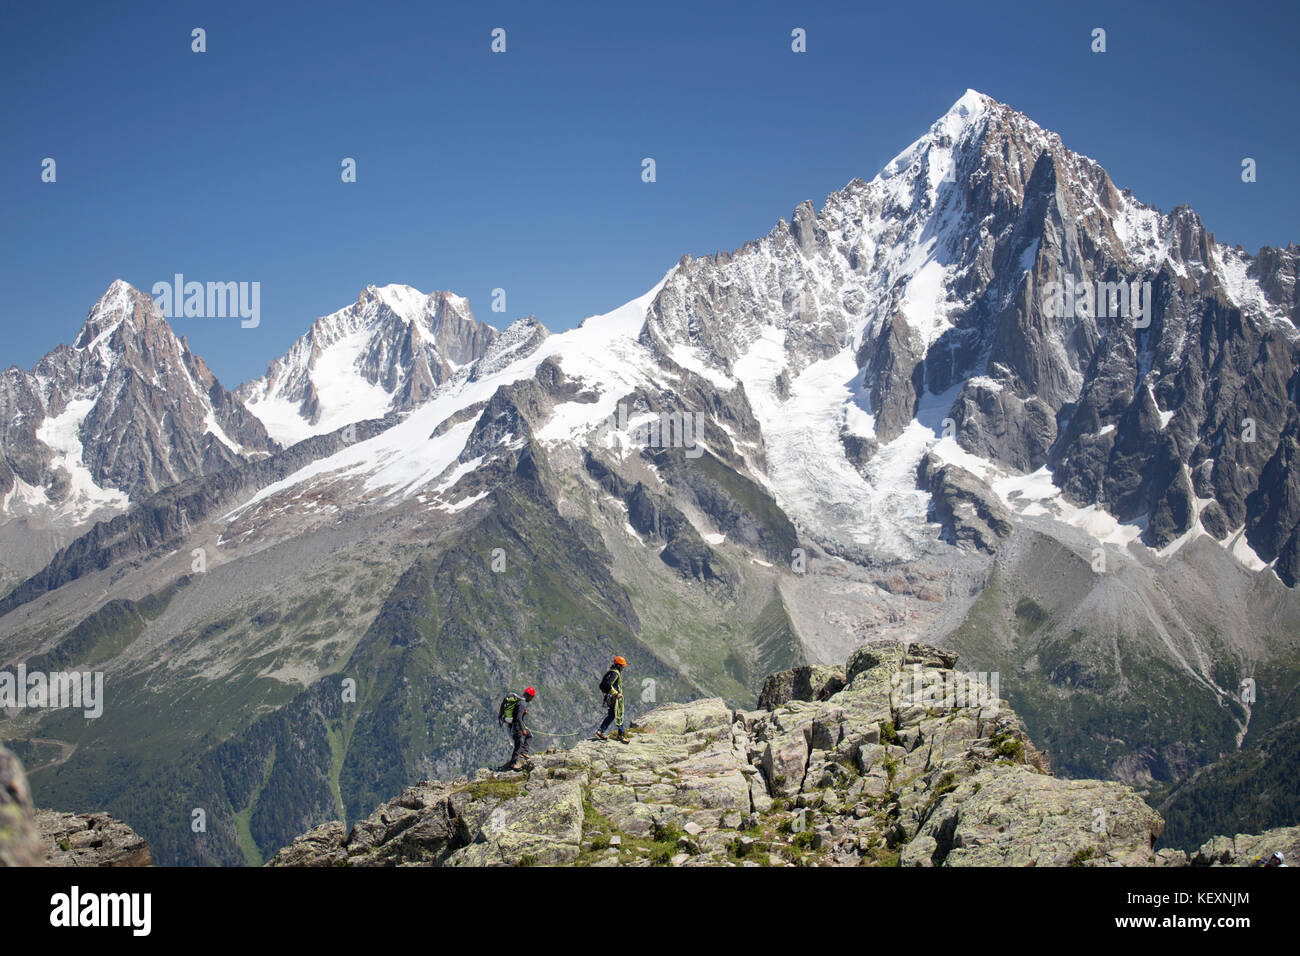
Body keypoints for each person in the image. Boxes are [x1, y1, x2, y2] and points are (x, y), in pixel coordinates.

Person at [595, 656, 630, 743]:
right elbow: (608, 684)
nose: (623, 667)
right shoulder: (615, 673)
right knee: (619, 714)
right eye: (622, 666)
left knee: (611, 715)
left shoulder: (611, 672)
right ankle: (621, 735)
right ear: (618, 665)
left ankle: (600, 731)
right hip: (614, 698)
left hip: (609, 697)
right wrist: (616, 693)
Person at [500, 686, 535, 770]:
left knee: (529, 735)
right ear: (529, 696)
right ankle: (513, 763)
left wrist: (523, 713)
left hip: (515, 725)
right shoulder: (522, 704)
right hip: (517, 727)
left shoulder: (520, 702)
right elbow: (518, 718)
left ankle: (524, 752)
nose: (532, 699)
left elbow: (517, 714)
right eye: (532, 697)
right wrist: (523, 729)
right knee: (518, 744)